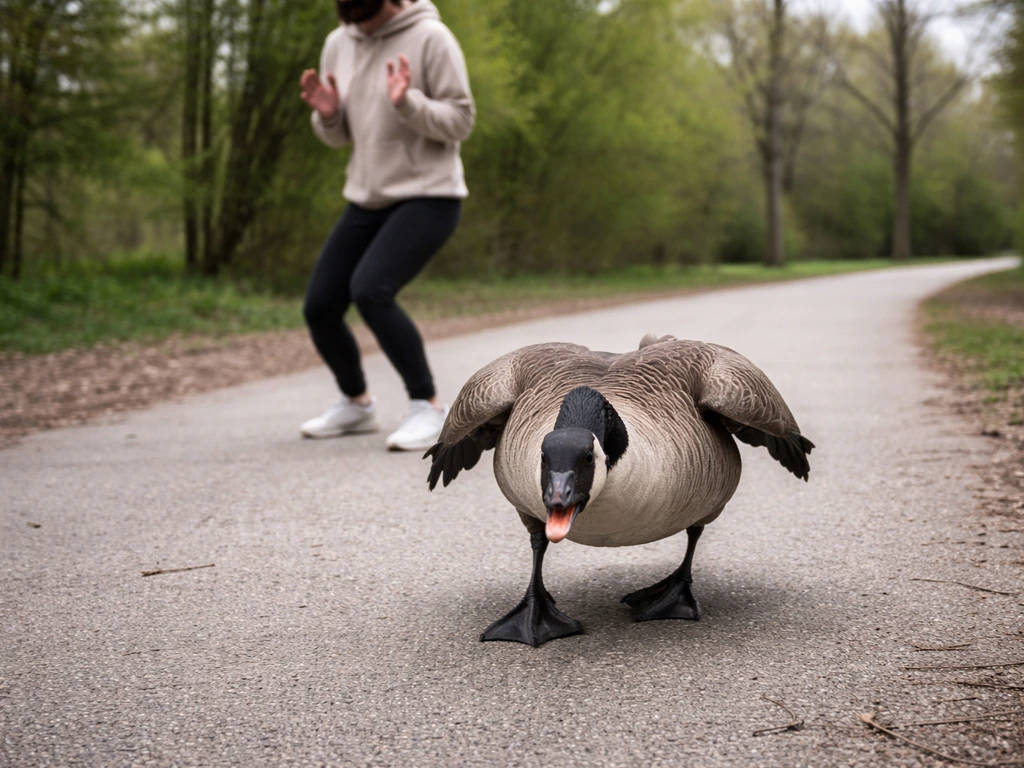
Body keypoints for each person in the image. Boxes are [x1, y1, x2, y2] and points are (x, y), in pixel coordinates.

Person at [298, 0, 474, 451]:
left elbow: (461, 120)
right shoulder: (339, 41)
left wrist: (407, 102)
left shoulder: (432, 38)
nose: (357, 26)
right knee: (320, 305)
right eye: (350, 18)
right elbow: (338, 137)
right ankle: (357, 404)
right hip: (367, 196)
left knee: (371, 289)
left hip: (429, 194)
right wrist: (329, 114)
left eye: (366, 17)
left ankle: (428, 407)